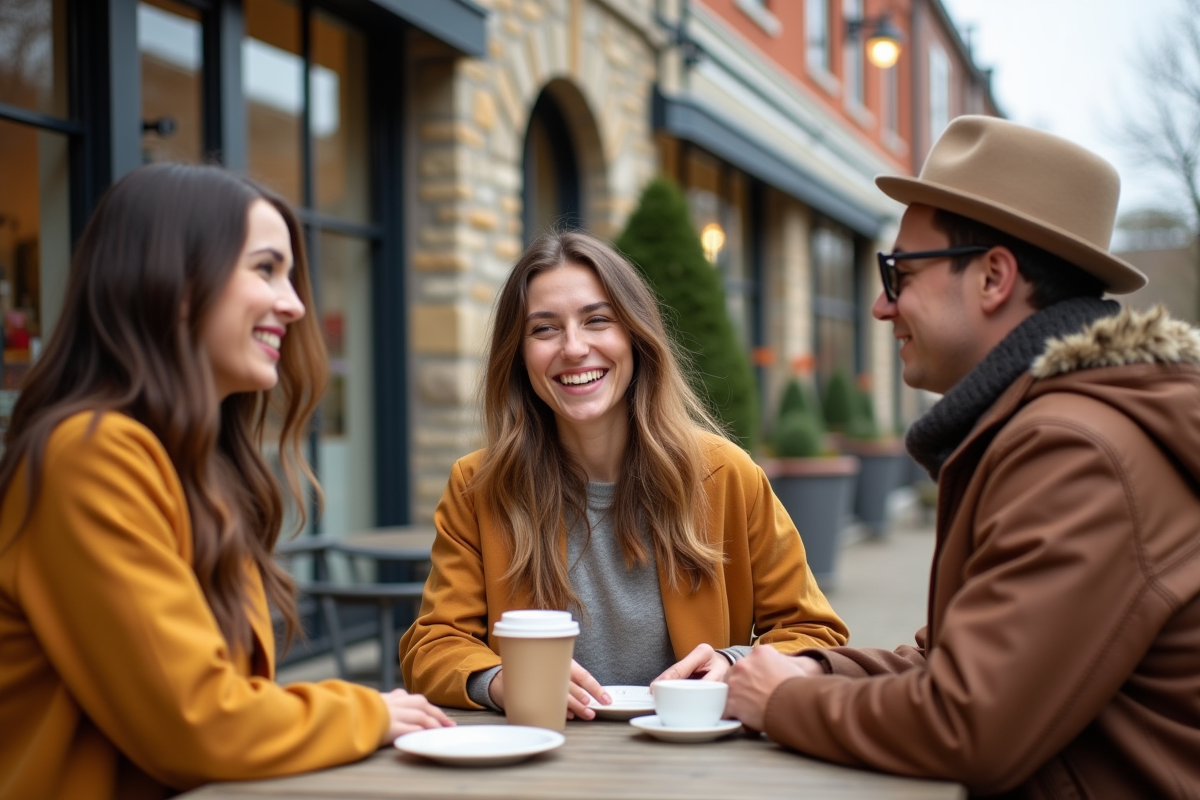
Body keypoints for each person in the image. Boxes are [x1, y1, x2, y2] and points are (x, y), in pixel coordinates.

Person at [725, 115, 1200, 798]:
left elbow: (968, 721)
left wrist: (781, 703)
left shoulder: (1073, 450)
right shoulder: (1056, 423)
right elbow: (953, 662)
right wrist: (813, 673)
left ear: (993, 277)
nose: (880, 309)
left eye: (899, 273)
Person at [0, 163, 453, 800]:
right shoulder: (91, 456)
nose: (295, 304)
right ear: (175, 282)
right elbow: (196, 721)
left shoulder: (193, 464)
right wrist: (367, 712)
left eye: (290, 276)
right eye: (266, 270)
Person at [400, 230, 847, 718]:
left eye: (597, 320)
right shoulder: (478, 486)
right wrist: (503, 681)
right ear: (519, 355)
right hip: (542, 756)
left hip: (693, 764)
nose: (573, 348)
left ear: (635, 336)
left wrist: (733, 663)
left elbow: (816, 635)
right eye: (544, 329)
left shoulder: (726, 475)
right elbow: (432, 646)